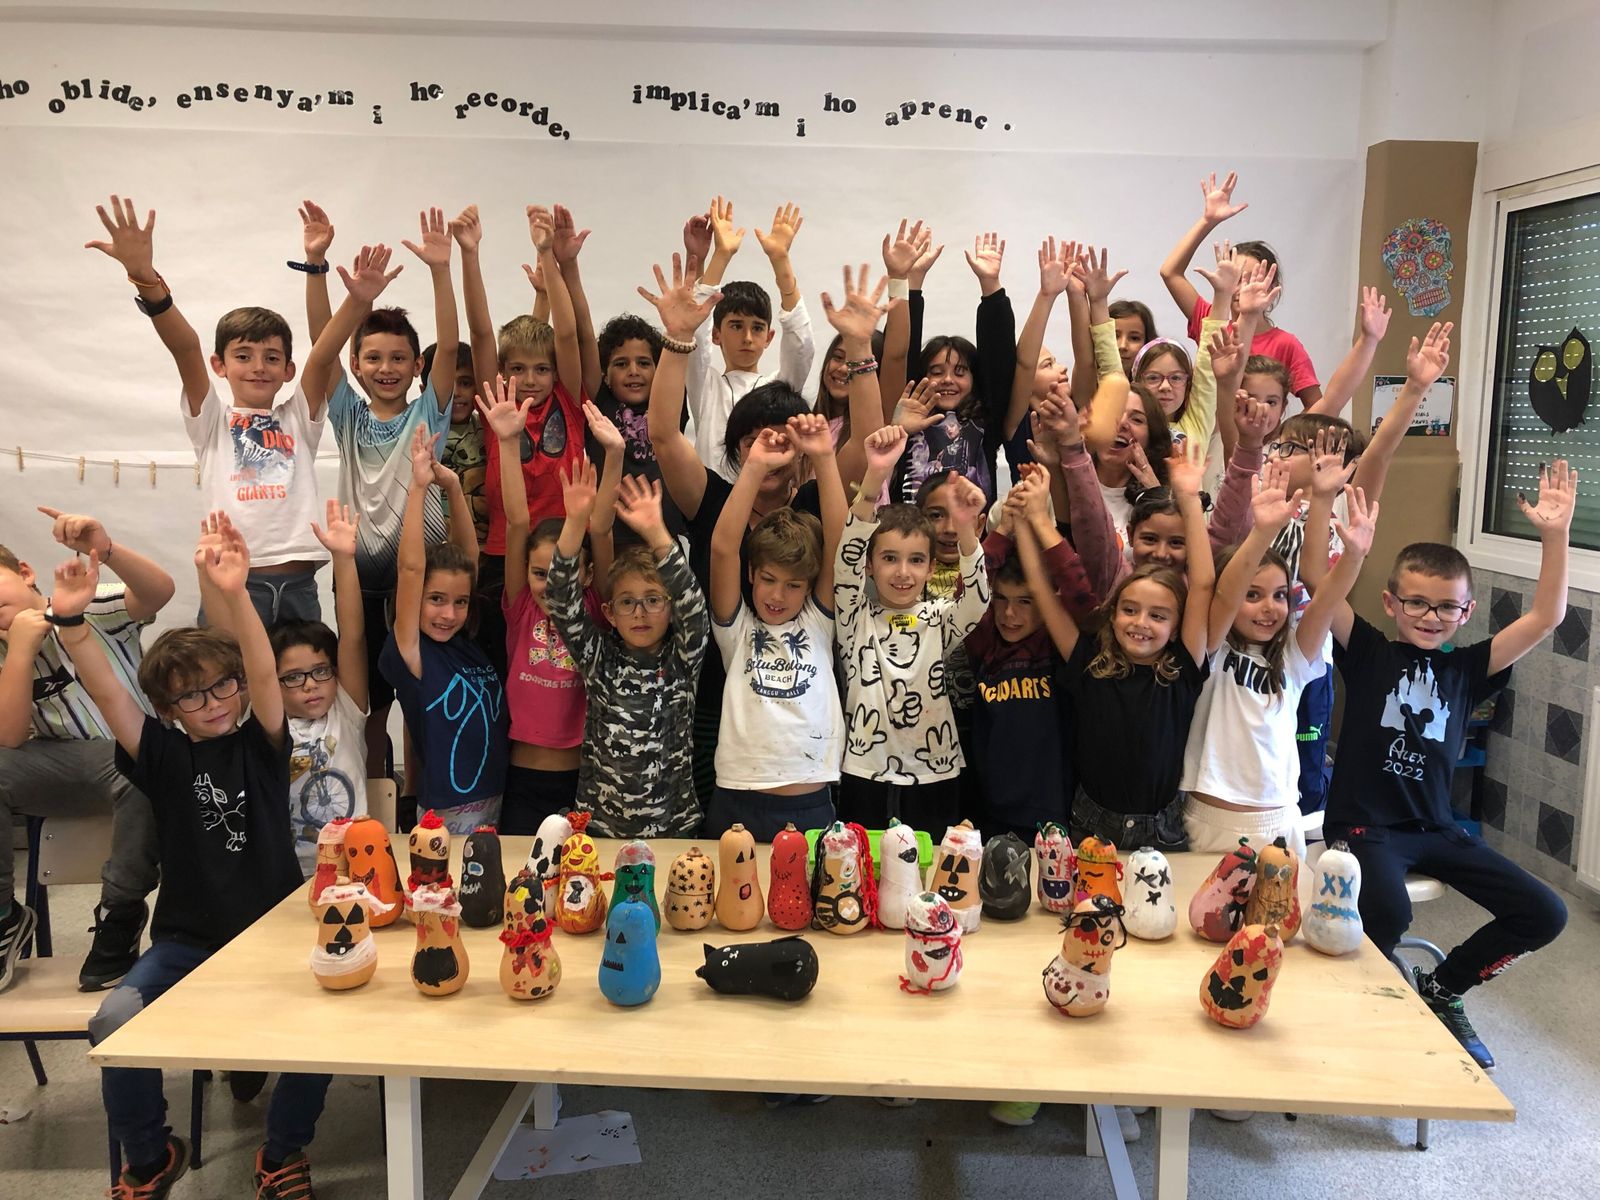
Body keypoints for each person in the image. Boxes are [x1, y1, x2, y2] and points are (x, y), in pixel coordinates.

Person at [56, 525, 329, 1200]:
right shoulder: (163, 756)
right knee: (114, 1021)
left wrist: (235, 595)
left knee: (325, 1028)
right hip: (187, 942)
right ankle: (151, 1156)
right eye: (193, 696)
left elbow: (265, 672)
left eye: (222, 687)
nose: (214, 703)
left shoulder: (262, 744)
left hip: (276, 937)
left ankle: (283, 1152)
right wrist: (71, 623)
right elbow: (109, 696)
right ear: (168, 710)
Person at [1313, 457, 1575, 1073]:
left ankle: (1443, 989)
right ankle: (1363, 1006)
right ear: (1392, 602)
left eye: (1447, 608)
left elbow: (1547, 617)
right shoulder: (1369, 651)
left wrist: (1556, 537)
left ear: (1466, 610)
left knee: (1545, 912)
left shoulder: (1467, 668)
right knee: (1388, 909)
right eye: (1418, 603)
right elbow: (1317, 581)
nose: (1431, 617)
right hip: (1364, 829)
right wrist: (1326, 507)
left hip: (1436, 829)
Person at [87, 194, 327, 625]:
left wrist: (318, 269)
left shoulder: (298, 417)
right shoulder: (212, 420)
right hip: (233, 583)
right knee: (229, 687)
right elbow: (184, 347)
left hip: (299, 585)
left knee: (302, 687)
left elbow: (326, 351)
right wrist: (145, 278)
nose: (258, 366)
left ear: (289, 369)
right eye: (244, 355)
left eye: (272, 357)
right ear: (220, 365)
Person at [298, 201, 460, 781]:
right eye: (373, 358)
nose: (386, 367)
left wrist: (443, 270)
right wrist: (318, 267)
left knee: (423, 710)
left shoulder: (428, 416)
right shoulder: (345, 414)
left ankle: (422, 806)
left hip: (424, 579)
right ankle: (369, 802)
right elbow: (322, 343)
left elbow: (449, 338)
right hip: (360, 584)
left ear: (418, 366)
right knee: (364, 710)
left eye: (398, 358)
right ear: (357, 366)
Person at [0, 508, 170, 991]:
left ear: (26, 573)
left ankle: (120, 912)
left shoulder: (90, 603)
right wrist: (18, 653)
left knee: (136, 766)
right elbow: (9, 738)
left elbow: (159, 592)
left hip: (139, 759)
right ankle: (4, 915)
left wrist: (108, 548)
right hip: (66, 769)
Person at [1024, 442, 1215, 851]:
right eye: (1130, 609)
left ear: (1178, 624)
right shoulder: (1089, 660)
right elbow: (1042, 591)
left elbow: (1202, 583)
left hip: (1163, 826)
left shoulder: (1182, 666)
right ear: (1113, 614)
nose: (1141, 623)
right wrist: (1030, 520)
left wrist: (1188, 499)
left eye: (1158, 616)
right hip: (1092, 823)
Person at [1182, 464, 1376, 857]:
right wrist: (1263, 532)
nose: (1269, 608)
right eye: (1252, 595)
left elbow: (1325, 603)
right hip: (1210, 821)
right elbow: (1222, 598)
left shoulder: (1293, 656)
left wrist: (1354, 557)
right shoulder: (1212, 649)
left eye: (1279, 595)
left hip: (1280, 823)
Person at [482, 378, 622, 833]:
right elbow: (517, 519)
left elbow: (600, 532)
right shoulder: (521, 605)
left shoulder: (593, 606)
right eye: (539, 573)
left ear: (582, 575)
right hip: (523, 776)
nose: (548, 583)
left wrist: (614, 456)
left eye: (559, 572)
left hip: (583, 778)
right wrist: (507, 442)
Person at [197, 505, 369, 875]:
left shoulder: (345, 710)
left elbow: (353, 636)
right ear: (271, 682)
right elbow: (225, 647)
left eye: (319, 671)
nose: (309, 684)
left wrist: (343, 559)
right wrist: (209, 578)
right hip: (284, 873)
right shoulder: (267, 723)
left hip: (354, 869)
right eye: (292, 677)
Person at [835, 425, 990, 833]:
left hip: (936, 775)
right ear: (870, 565)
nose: (903, 573)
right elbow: (845, 561)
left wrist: (967, 527)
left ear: (931, 566)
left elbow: (977, 599)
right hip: (864, 772)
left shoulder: (939, 618)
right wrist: (875, 477)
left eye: (916, 560)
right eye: (889, 558)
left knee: (927, 883)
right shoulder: (855, 616)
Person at [547, 471, 709, 837]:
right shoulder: (597, 655)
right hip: (599, 830)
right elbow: (560, 599)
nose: (640, 612)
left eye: (653, 600)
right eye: (627, 602)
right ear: (609, 613)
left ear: (669, 607)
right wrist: (575, 522)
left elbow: (694, 607)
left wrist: (656, 533)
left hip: (674, 829)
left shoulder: (682, 659)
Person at [708, 413, 846, 839]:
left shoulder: (819, 623)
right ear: (752, 574)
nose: (777, 595)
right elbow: (722, 549)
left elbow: (844, 549)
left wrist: (824, 457)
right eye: (768, 579)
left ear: (808, 587)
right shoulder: (737, 630)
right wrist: (754, 467)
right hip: (737, 798)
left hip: (810, 802)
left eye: (792, 585)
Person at [379, 427, 506, 834]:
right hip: (450, 813)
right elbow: (411, 568)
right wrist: (418, 488)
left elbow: (468, 560)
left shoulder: (466, 644)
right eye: (435, 599)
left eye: (460, 602)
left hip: (499, 797)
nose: (448, 614)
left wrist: (452, 486)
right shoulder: (411, 651)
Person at [965, 466, 1097, 842]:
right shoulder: (985, 642)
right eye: (1002, 600)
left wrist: (1039, 523)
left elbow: (1081, 595)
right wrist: (1004, 528)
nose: (1010, 614)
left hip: (1052, 810)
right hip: (989, 809)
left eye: (1025, 602)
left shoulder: (1057, 648)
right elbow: (968, 594)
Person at [1158, 171, 1322, 407]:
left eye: (1250, 280)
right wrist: (1208, 221)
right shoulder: (1211, 319)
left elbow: (1316, 405)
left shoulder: (1285, 344)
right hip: (1208, 439)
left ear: (1272, 287)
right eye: (1234, 278)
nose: (1240, 289)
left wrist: (1281, 441)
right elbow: (1170, 272)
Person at [686, 197, 815, 480]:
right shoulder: (706, 386)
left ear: (768, 337)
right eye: (735, 326)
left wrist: (781, 260)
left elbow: (801, 347)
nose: (747, 337)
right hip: (714, 509)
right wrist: (720, 255)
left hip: (770, 508)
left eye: (757, 328)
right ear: (717, 334)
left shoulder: (778, 388)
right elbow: (694, 329)